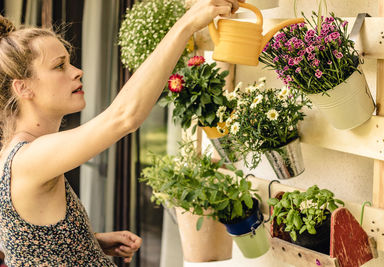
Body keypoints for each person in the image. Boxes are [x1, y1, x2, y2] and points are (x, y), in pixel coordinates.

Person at [0, 0, 242, 265]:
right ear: (22, 88)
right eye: (60, 66)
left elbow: (21, 240)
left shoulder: (13, 153)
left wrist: (87, 241)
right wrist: (186, 24)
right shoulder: (29, 159)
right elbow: (124, 117)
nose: (77, 71)